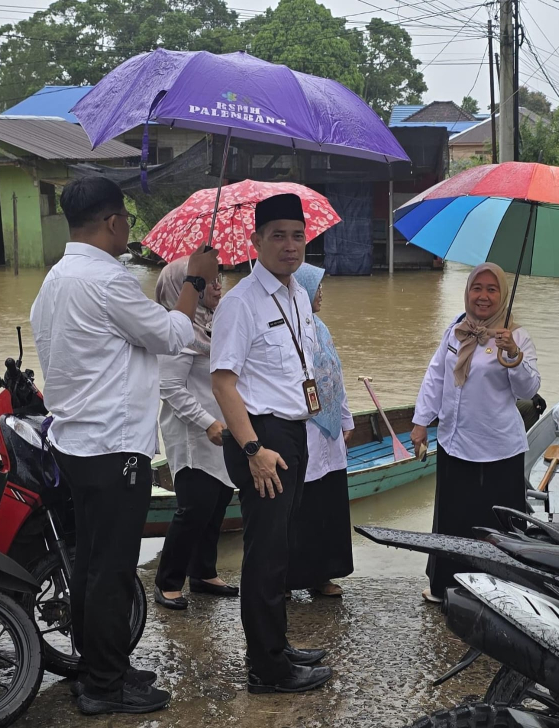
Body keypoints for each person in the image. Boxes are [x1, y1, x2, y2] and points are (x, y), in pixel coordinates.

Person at [30, 177, 218, 715]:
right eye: (127, 222)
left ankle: (100, 666)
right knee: (110, 569)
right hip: (114, 448)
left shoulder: (56, 279)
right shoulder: (105, 282)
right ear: (112, 222)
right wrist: (195, 283)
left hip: (76, 444)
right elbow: (171, 335)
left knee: (92, 563)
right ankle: (103, 688)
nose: (129, 230)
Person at [210, 193, 332, 695]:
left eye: (297, 235)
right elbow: (222, 383)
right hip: (261, 437)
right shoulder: (241, 302)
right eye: (277, 235)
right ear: (256, 241)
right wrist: (253, 450)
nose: (289, 245)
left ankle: (276, 645)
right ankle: (267, 669)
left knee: (281, 549)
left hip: (293, 431)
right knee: (264, 556)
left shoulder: (296, 293)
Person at [411, 263, 541, 603]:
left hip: (498, 449)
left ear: (502, 295)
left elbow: (528, 389)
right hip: (454, 443)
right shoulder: (457, 328)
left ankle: (506, 595)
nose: (483, 296)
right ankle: (445, 588)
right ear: (468, 291)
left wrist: (512, 353)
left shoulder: (515, 334)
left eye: (492, 289)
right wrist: (421, 422)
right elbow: (436, 376)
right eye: (477, 288)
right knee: (452, 521)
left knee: (498, 525)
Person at [153, 258, 239, 610]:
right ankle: (168, 581)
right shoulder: (179, 333)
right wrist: (206, 422)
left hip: (220, 427)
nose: (217, 286)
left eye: (217, 278)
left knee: (217, 501)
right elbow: (170, 387)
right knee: (194, 507)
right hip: (192, 432)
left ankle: (203, 572)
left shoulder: (215, 325)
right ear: (185, 287)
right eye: (205, 282)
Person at [287, 263, 354, 597]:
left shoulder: (321, 328)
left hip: (329, 434)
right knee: (304, 507)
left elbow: (335, 378)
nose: (322, 293)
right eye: (317, 287)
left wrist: (346, 420)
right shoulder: (290, 331)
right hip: (305, 429)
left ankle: (322, 576)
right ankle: (288, 578)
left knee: (328, 504)